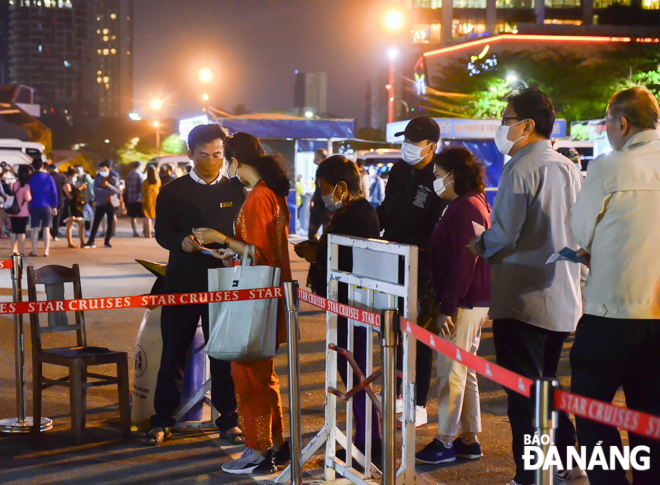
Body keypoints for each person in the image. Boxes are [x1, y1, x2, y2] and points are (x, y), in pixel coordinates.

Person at [467, 88, 585, 485]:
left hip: (523, 300)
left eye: (506, 119)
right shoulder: (568, 167)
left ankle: (530, 474)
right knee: (548, 387)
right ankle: (571, 465)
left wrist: (479, 244)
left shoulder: (520, 168)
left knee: (524, 395)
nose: (502, 126)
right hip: (563, 297)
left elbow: (504, 234)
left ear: (526, 125)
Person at [569, 87, 660, 485]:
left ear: (621, 123)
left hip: (612, 315)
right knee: (651, 420)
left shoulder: (610, 168)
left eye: (606, 123)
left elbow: (579, 231)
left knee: (592, 413)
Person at [191, 132, 291, 475]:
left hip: (255, 300)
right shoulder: (266, 194)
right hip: (263, 297)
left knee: (248, 378)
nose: (219, 163)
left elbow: (261, 255)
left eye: (223, 157)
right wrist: (229, 250)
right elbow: (258, 252)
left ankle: (259, 449)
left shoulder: (260, 197)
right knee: (261, 377)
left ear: (235, 160)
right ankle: (274, 445)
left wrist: (221, 238)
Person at [142, 123, 245, 449]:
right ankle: (162, 420)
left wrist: (233, 250)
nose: (212, 161)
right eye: (204, 155)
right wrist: (180, 242)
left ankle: (229, 419)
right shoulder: (173, 190)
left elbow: (244, 235)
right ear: (190, 155)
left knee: (222, 356)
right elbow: (161, 233)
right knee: (173, 353)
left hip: (222, 283)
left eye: (217, 154)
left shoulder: (235, 190)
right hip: (182, 283)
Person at [295, 155, 382, 465]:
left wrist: (315, 254)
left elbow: (346, 256)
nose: (321, 194)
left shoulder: (359, 214)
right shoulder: (349, 211)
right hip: (343, 302)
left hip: (354, 305)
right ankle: (363, 440)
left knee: (356, 372)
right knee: (350, 371)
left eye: (324, 188)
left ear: (342, 187)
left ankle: (371, 442)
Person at [414, 147, 492, 465]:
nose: (435, 181)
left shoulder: (467, 206)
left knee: (451, 371)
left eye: (437, 175)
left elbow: (466, 258)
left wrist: (449, 304)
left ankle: (445, 441)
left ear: (453, 173)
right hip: (466, 299)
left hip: (464, 301)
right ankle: (468, 440)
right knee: (464, 370)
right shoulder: (464, 204)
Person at [376, 115, 446, 427]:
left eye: (413, 143)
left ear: (431, 146)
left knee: (420, 338)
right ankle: (397, 394)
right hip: (391, 262)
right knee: (392, 332)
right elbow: (387, 210)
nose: (406, 147)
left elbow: (437, 227)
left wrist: (409, 245)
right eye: (405, 140)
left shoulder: (440, 176)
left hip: (424, 266)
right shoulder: (400, 170)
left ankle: (418, 403)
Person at [82, 160, 121, 249]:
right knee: (96, 223)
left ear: (109, 169)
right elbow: (96, 191)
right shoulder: (98, 179)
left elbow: (117, 191)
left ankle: (107, 242)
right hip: (101, 203)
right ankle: (91, 242)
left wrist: (108, 185)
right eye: (101, 169)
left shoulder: (114, 179)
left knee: (110, 223)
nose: (103, 171)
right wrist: (108, 191)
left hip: (111, 203)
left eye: (104, 169)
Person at [28, 157, 58, 257]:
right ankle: (46, 251)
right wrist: (55, 206)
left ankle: (34, 251)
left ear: (33, 166)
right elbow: (54, 193)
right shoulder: (49, 177)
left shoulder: (30, 178)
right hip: (47, 206)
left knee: (35, 229)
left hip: (34, 206)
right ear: (42, 166)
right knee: (46, 229)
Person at [9, 165, 32, 255]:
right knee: (21, 232)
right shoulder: (26, 186)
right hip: (23, 212)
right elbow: (28, 198)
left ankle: (14, 249)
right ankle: (21, 249)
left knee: (14, 231)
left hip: (13, 211)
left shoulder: (15, 184)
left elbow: (12, 192)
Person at [307, 148, 329, 240]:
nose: (314, 159)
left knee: (326, 235)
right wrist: (313, 199)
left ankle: (319, 252)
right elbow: (318, 189)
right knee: (314, 234)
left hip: (324, 208)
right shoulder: (322, 169)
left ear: (319, 158)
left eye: (315, 156)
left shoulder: (326, 170)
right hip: (319, 207)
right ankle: (316, 251)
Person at [62, 167, 86, 248]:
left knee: (81, 223)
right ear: (69, 176)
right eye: (75, 176)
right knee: (70, 225)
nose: (75, 178)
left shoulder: (72, 184)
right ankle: (70, 243)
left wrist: (79, 189)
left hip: (76, 207)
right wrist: (79, 189)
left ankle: (82, 241)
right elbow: (70, 196)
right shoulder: (66, 185)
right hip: (70, 207)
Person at [125, 161, 145, 237]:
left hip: (130, 198)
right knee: (143, 215)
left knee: (132, 216)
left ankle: (135, 231)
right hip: (138, 198)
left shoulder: (129, 174)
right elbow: (141, 187)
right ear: (139, 166)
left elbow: (126, 185)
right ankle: (145, 230)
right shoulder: (140, 175)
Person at [47, 163, 65, 240]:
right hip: (60, 200)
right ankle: (55, 235)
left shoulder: (49, 177)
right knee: (57, 219)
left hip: (50, 201)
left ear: (50, 169)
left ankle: (48, 233)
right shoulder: (61, 177)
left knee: (49, 219)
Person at [74, 165, 95, 235]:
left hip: (87, 199)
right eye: (75, 170)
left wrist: (88, 199)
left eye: (78, 169)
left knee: (87, 215)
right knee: (82, 215)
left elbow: (89, 189)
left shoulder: (86, 177)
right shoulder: (78, 178)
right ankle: (83, 230)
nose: (77, 171)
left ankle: (87, 229)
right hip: (81, 199)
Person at [141, 165, 160, 238]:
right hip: (156, 199)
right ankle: (156, 233)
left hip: (148, 200)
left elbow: (143, 191)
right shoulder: (158, 180)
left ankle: (148, 233)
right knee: (155, 217)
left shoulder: (146, 181)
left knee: (147, 217)